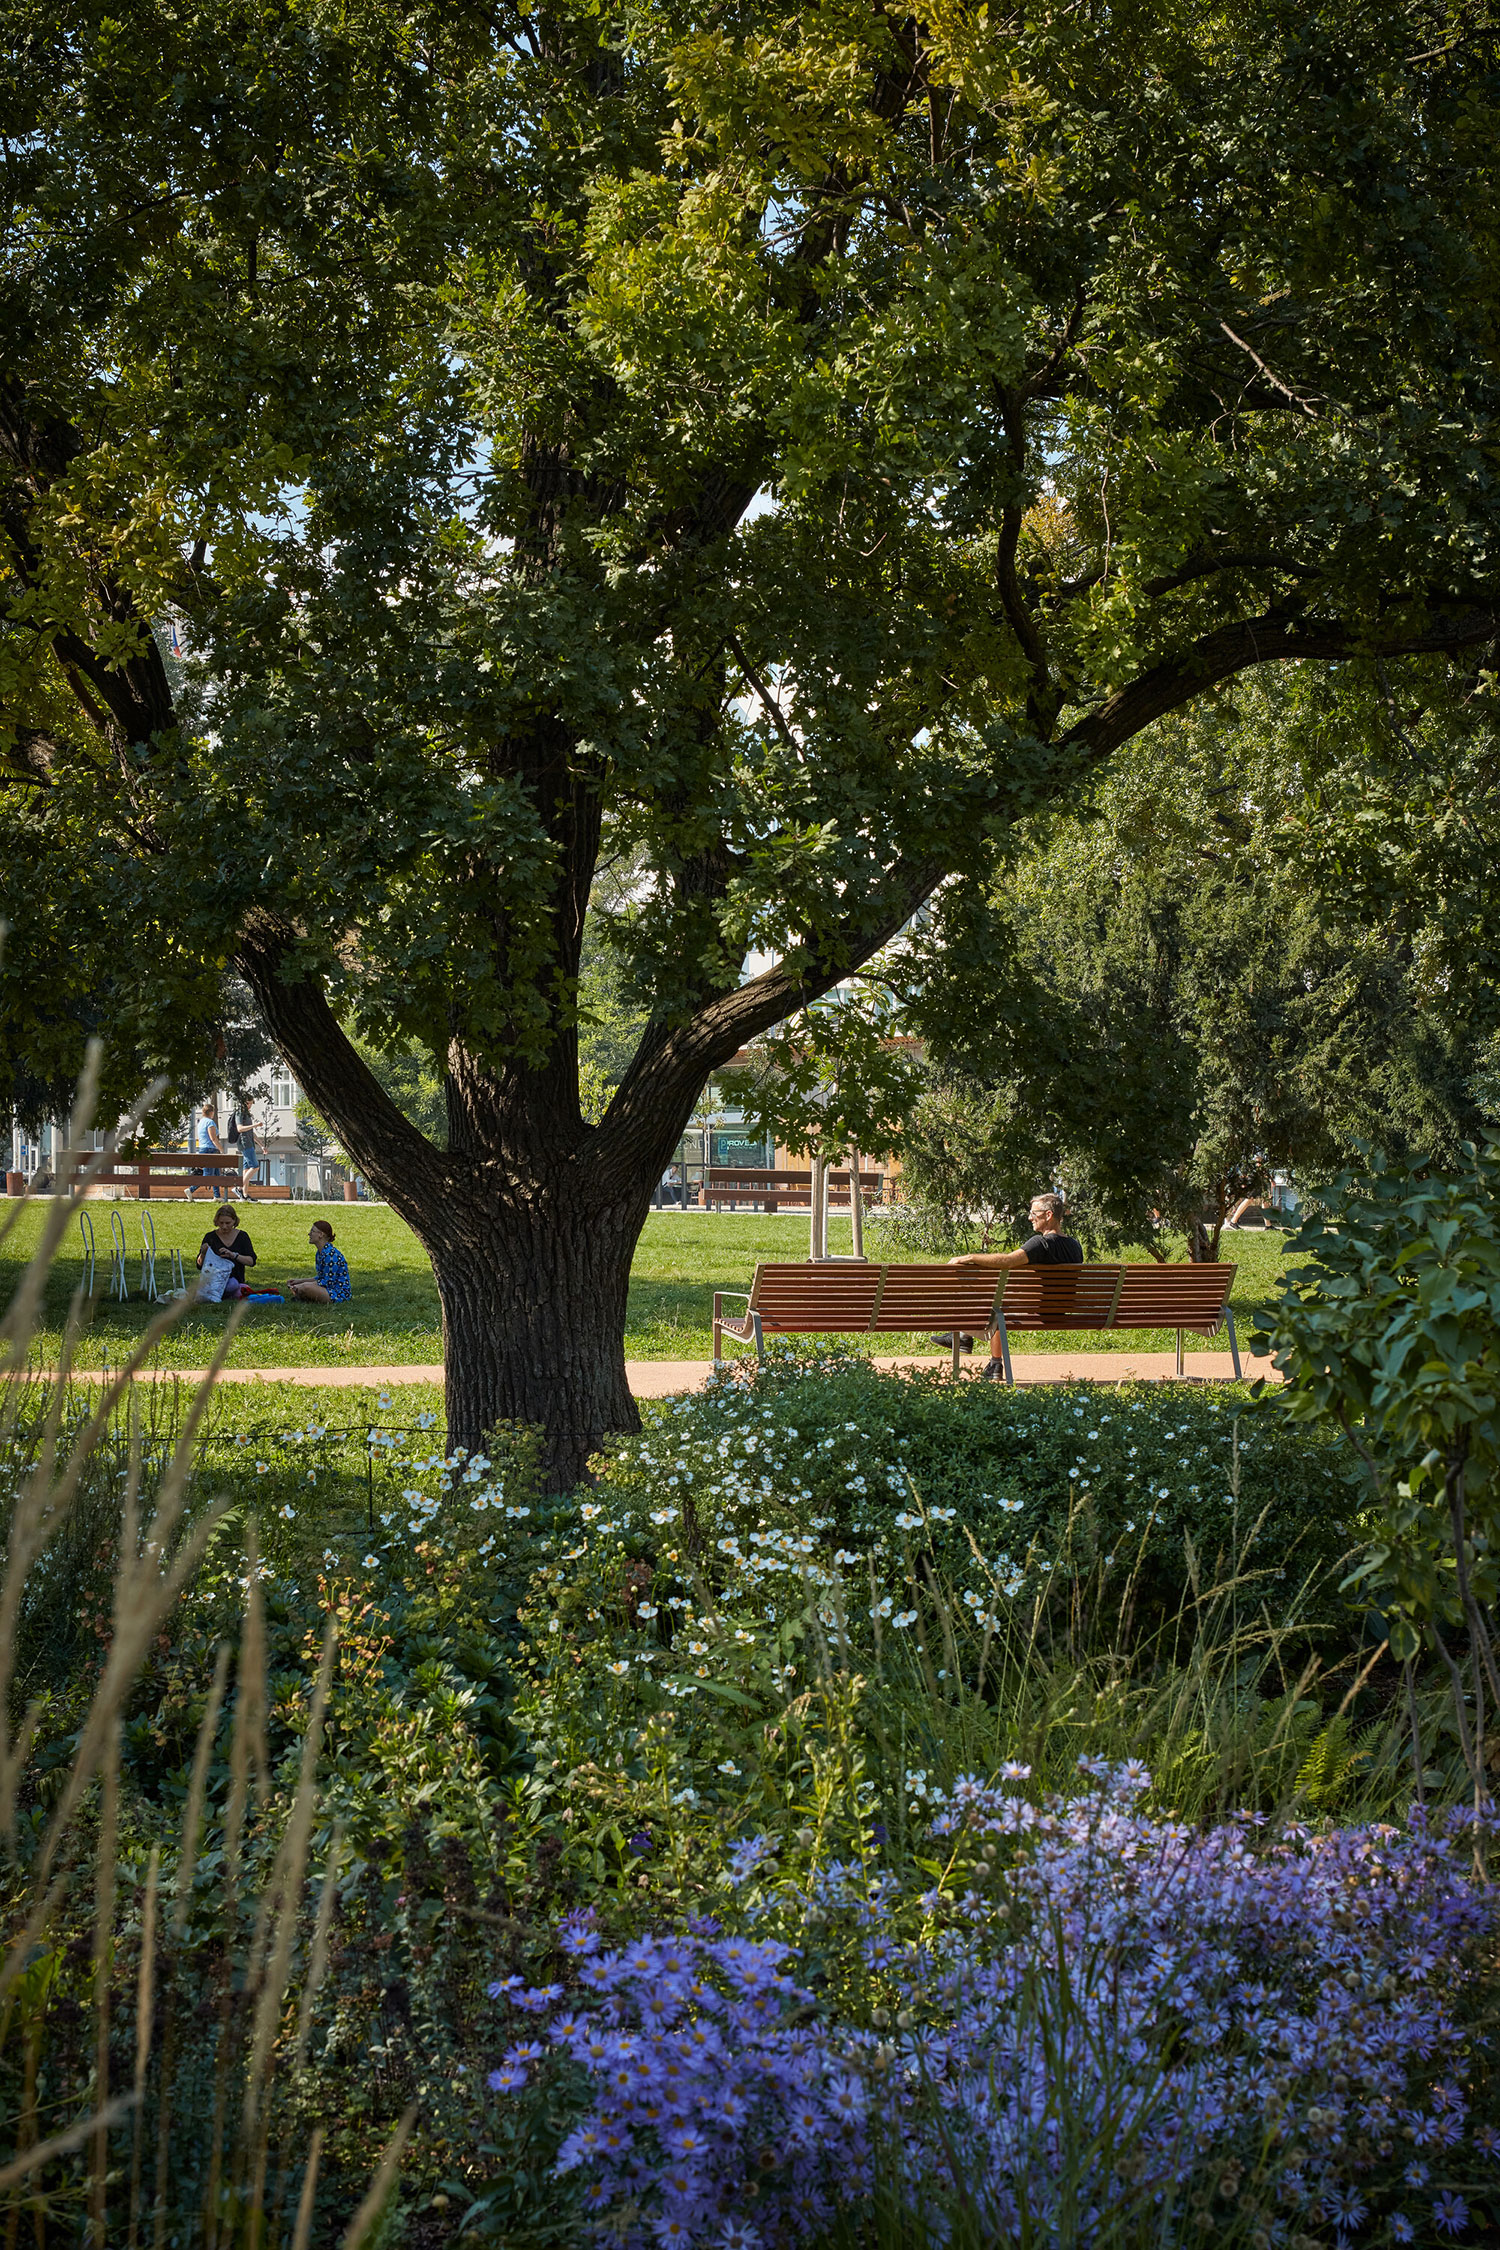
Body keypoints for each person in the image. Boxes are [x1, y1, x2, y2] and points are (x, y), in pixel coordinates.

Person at [933, 1192, 1085, 1363]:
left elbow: (1007, 1261)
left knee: (996, 1309)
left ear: (1048, 1215)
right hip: (1061, 1309)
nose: (1030, 1218)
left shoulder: (1040, 1243)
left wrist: (970, 1257)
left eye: (1034, 1214)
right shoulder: (1075, 1246)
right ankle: (965, 1339)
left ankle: (969, 1342)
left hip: (1038, 1311)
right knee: (997, 1306)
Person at [196, 1205, 257, 1299]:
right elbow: (199, 1265)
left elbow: (251, 1261)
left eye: (228, 1223)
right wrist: (203, 1253)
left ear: (234, 1221)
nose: (224, 1226)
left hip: (235, 1279)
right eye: (221, 1223)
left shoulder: (242, 1236)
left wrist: (234, 1255)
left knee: (232, 1285)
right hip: (214, 1280)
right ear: (217, 1222)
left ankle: (227, 1292)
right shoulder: (210, 1237)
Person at [286, 1219, 351, 1305]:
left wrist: (303, 1285)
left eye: (312, 1231)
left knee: (304, 1288)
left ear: (321, 1234)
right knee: (302, 1287)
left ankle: (304, 1296)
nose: (309, 1234)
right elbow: (322, 1278)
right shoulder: (321, 1252)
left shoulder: (330, 1255)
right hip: (330, 1290)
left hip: (338, 1294)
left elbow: (327, 1282)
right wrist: (299, 1281)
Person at [233, 1099, 261, 1191]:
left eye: (251, 1104)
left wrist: (261, 1145)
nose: (249, 1106)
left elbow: (251, 1133)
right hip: (245, 1143)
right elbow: (240, 1128)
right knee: (255, 1166)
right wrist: (255, 1125)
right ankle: (239, 1187)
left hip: (250, 1142)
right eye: (248, 1103)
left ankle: (244, 1195)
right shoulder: (239, 1113)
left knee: (246, 1170)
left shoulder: (247, 1114)